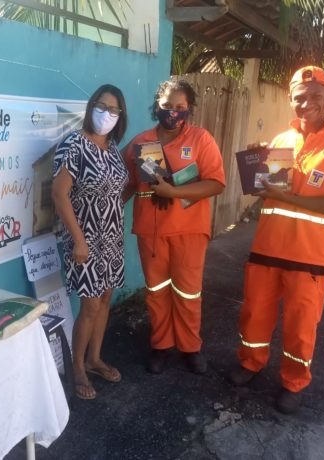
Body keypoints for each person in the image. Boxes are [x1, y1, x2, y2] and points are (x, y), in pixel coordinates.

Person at [229, 65, 324, 414]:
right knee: (254, 314)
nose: (307, 103)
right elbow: (266, 193)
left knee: (301, 325)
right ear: (290, 99)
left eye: (315, 95)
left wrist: (286, 196)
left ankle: (294, 380)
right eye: (299, 97)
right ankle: (250, 362)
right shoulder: (281, 141)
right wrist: (255, 171)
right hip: (266, 249)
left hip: (310, 258)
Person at [123, 79, 226, 375]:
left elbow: (216, 183)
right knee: (156, 292)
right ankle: (161, 345)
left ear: (189, 109)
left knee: (188, 293)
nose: (173, 112)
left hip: (189, 231)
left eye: (180, 107)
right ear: (157, 105)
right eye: (167, 106)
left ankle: (190, 347)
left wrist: (175, 193)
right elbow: (128, 182)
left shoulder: (200, 139)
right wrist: (107, 209)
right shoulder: (140, 143)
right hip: (151, 231)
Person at [52, 83, 129, 400]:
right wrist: (79, 240)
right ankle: (78, 368)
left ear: (120, 115)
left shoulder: (112, 148)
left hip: (112, 240)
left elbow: (117, 189)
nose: (106, 113)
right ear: (90, 107)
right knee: (90, 305)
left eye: (113, 109)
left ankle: (95, 358)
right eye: (101, 105)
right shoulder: (73, 146)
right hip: (85, 241)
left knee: (106, 300)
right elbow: (59, 194)